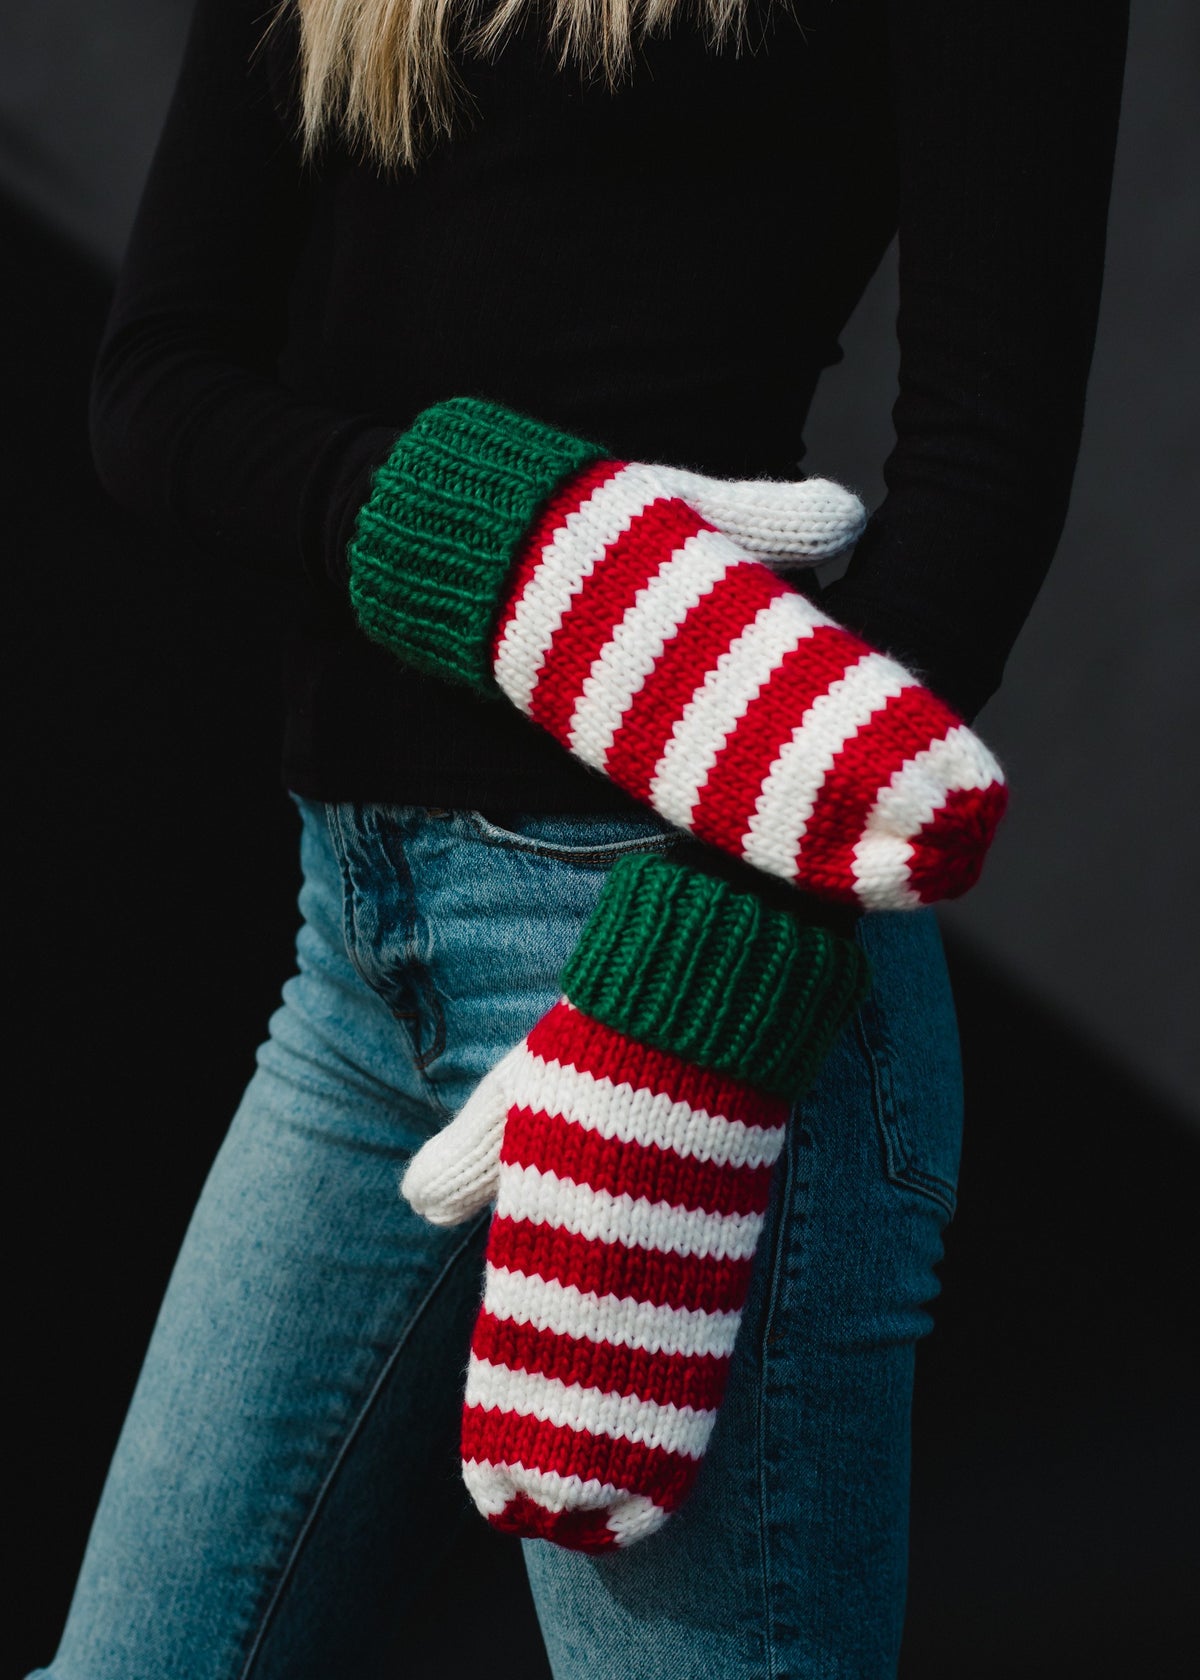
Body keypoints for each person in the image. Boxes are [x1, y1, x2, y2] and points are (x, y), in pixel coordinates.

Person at [31, 0, 1128, 1675]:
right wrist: (528, 554)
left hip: (693, 935)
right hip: (359, 953)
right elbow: (158, 388)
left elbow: (987, 463)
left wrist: (711, 960)